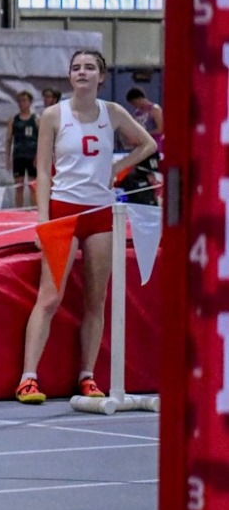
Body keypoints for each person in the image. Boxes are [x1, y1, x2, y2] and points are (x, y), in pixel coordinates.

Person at [14, 50, 158, 404]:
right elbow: (44, 172)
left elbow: (149, 143)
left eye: (89, 67)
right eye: (76, 68)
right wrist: (42, 222)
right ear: (70, 76)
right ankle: (28, 378)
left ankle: (87, 377)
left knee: (96, 300)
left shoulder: (112, 113)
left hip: (100, 214)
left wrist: (117, 169)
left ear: (101, 76)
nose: (82, 72)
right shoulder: (52, 115)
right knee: (50, 297)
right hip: (63, 212)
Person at [5, 90, 40, 209]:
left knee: (33, 186)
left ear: (30, 102)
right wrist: (7, 158)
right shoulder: (14, 120)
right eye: (19, 101)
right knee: (18, 186)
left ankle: (34, 210)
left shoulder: (36, 119)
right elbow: (9, 140)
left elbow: (41, 140)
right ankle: (18, 211)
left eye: (24, 101)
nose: (21, 103)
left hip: (32, 156)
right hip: (18, 156)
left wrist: (38, 156)